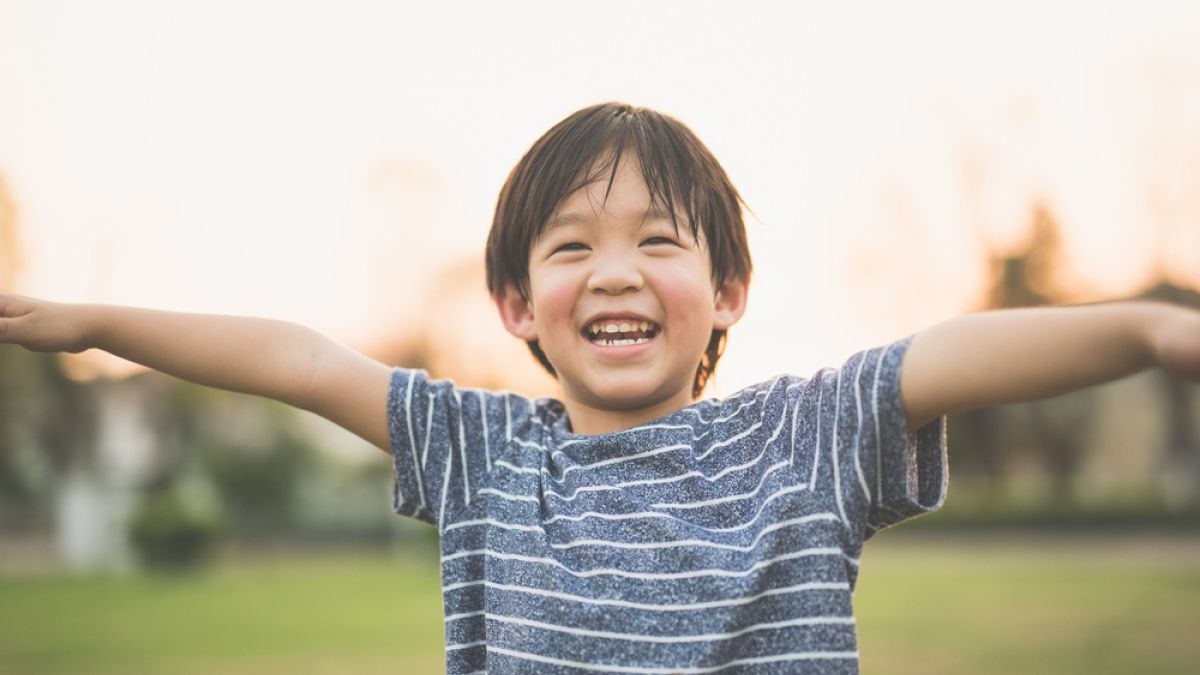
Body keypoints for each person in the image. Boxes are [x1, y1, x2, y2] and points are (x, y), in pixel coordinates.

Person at [1, 101, 1198, 674]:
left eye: (658, 242)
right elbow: (306, 362)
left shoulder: (802, 439)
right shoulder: (481, 453)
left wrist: (1151, 329)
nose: (614, 271)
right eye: (571, 246)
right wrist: (98, 324)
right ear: (517, 306)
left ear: (728, 291)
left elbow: (951, 355)